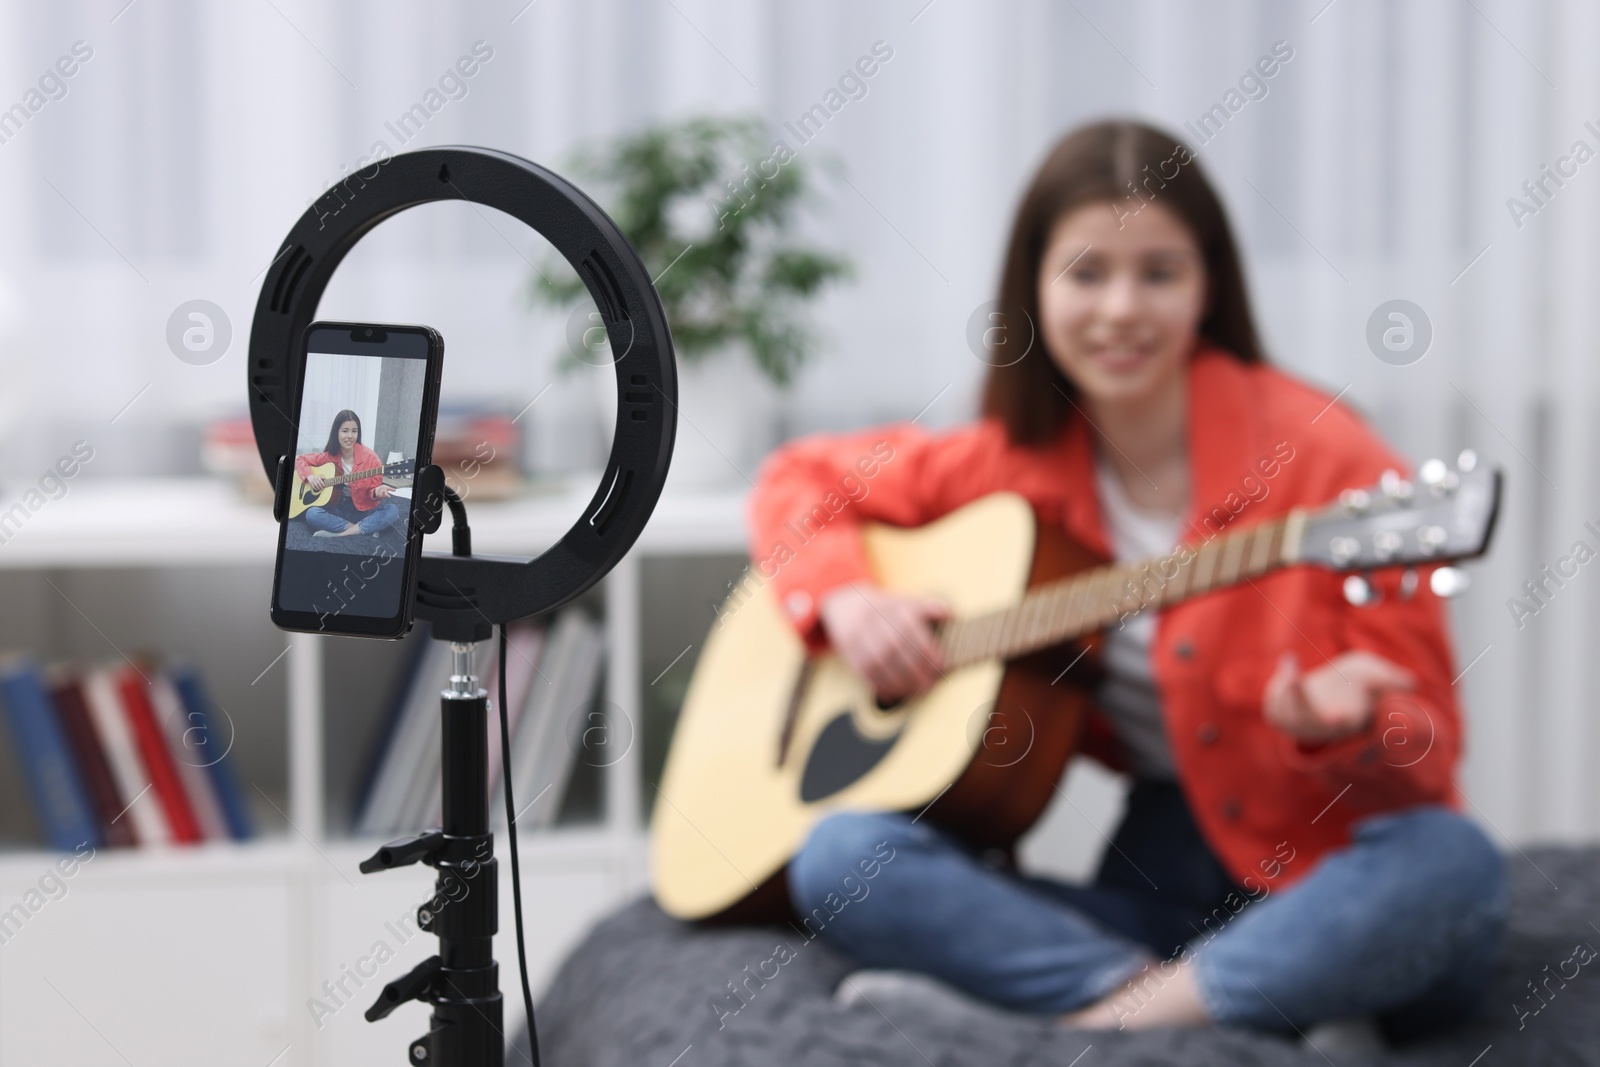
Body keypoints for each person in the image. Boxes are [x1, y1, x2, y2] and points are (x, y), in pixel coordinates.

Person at [752, 121, 1508, 1041]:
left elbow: (1430, 755)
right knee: (840, 856)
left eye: (1158, 272)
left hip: (1330, 891)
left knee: (1455, 863)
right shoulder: (1004, 463)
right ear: (1032, 287)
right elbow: (799, 480)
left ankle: (1092, 1021)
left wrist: (1353, 728)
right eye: (1084, 274)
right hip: (1156, 895)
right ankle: (1205, 1004)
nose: (1120, 309)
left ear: (1207, 287)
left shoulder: (1328, 461)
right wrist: (845, 597)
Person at [294, 409, 399, 538]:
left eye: (354, 431)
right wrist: (310, 477)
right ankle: (362, 528)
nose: (350, 436)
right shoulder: (328, 456)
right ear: (336, 433)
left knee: (392, 511)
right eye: (345, 431)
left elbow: (373, 491)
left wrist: (378, 491)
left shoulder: (371, 458)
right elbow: (301, 460)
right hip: (337, 508)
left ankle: (344, 533)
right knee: (312, 514)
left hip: (363, 509)